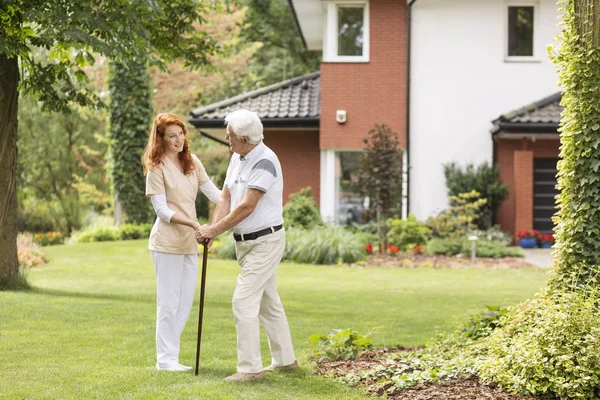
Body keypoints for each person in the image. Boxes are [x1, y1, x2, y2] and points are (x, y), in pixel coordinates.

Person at [195, 109, 297, 382]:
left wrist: (214, 228)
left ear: (244, 137)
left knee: (243, 301)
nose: (227, 139)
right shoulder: (238, 158)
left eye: (230, 136)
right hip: (246, 243)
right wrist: (213, 231)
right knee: (268, 302)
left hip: (266, 240)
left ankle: (250, 370)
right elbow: (226, 198)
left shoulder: (265, 161)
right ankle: (286, 360)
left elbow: (247, 206)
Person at [142, 112, 220, 371]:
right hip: (166, 243)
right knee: (168, 301)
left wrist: (241, 198)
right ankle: (165, 360)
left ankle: (172, 357)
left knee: (185, 301)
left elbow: (215, 194)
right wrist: (194, 224)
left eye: (181, 134)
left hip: (190, 242)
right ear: (161, 139)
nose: (179, 140)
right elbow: (162, 211)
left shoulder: (192, 161)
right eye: (172, 136)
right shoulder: (156, 167)